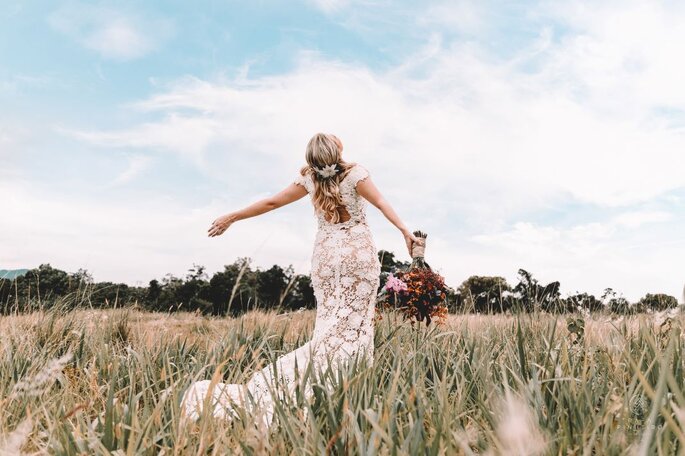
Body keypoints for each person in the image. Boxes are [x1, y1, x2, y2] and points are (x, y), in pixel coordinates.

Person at [181, 133, 417, 428]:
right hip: (358, 255)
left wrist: (233, 216)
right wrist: (404, 231)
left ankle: (325, 382)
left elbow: (270, 203)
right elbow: (381, 202)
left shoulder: (309, 179)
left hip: (327, 256)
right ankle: (345, 389)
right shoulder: (356, 174)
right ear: (337, 150)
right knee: (355, 325)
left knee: (330, 323)